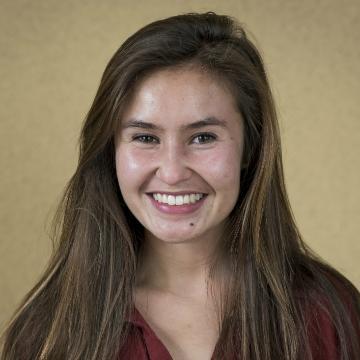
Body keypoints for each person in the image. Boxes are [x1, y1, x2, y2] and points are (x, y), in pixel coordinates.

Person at [1, 12, 360, 360]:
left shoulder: (332, 315)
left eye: (203, 137)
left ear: (251, 147)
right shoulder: (49, 332)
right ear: (111, 151)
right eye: (144, 137)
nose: (172, 172)